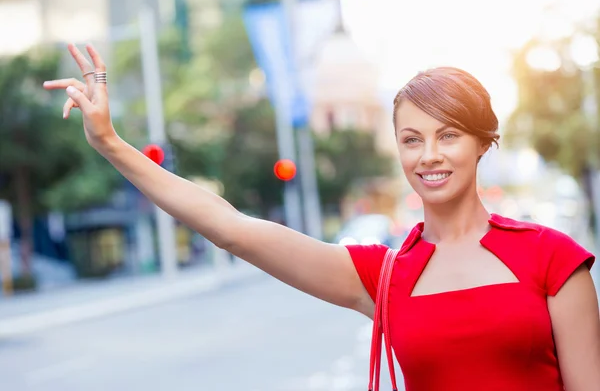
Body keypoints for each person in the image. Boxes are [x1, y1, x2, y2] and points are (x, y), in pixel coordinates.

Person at [43, 44, 600, 391]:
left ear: (483, 143)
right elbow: (231, 226)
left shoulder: (550, 258)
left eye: (448, 135)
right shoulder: (382, 275)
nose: (428, 154)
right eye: (411, 139)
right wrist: (112, 143)